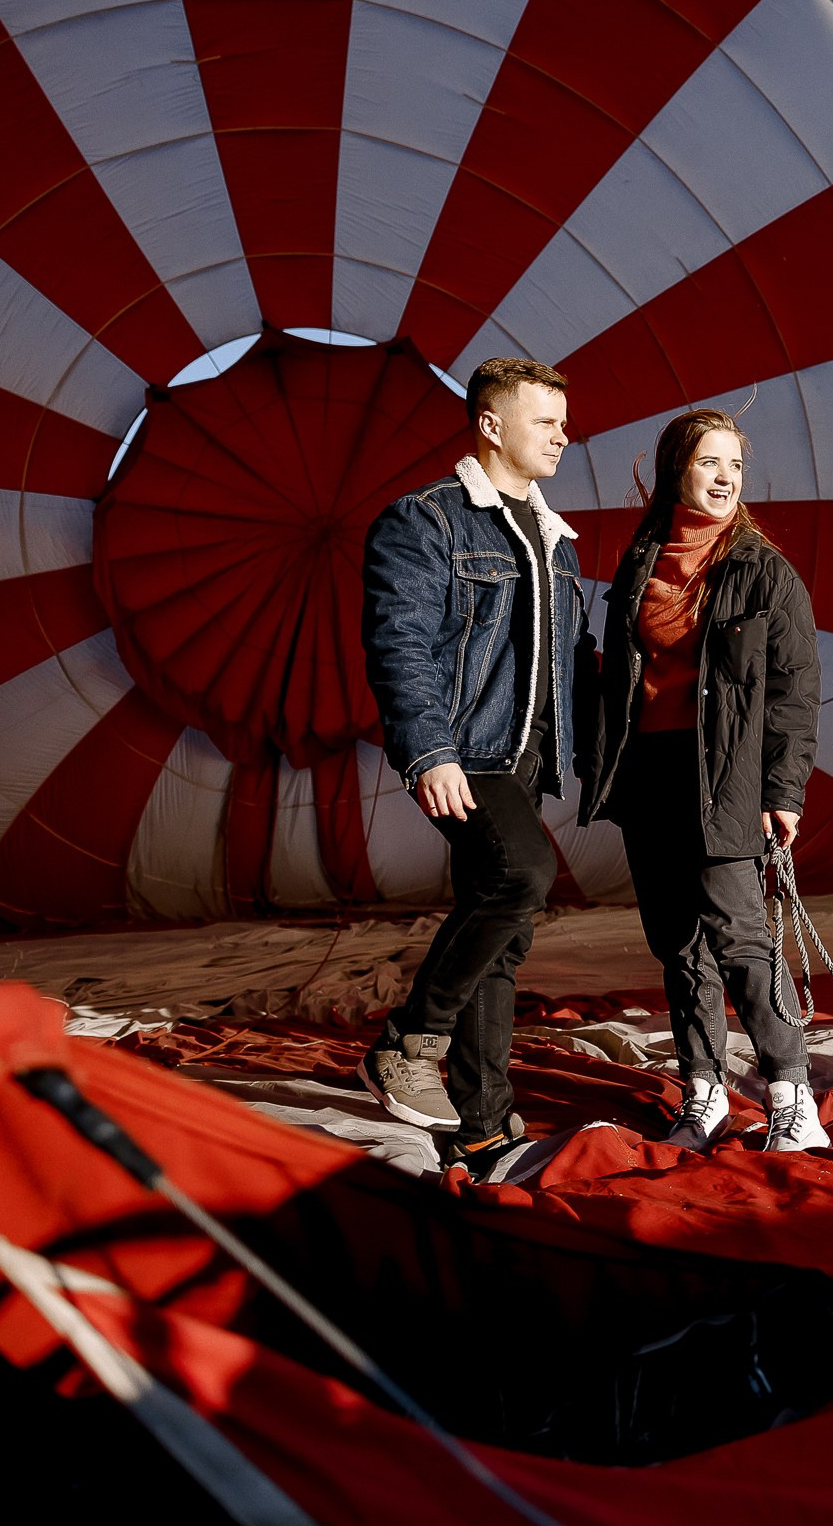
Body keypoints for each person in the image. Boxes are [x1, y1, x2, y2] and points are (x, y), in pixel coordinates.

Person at [358, 357, 587, 1179]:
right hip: (467, 751)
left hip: (527, 758)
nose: (564, 434)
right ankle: (407, 1043)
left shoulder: (553, 537)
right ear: (490, 425)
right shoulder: (425, 522)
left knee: (506, 939)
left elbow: (568, 663)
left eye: (565, 420)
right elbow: (401, 646)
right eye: (545, 420)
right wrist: (432, 751)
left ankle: (482, 1127)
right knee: (522, 873)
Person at [576, 408, 826, 1152]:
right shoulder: (642, 559)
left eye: (735, 467)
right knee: (677, 943)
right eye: (710, 463)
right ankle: (703, 1094)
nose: (724, 478)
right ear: (675, 471)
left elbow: (795, 691)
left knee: (743, 939)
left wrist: (783, 792)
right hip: (649, 774)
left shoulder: (762, 570)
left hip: (724, 777)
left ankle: (792, 1097)